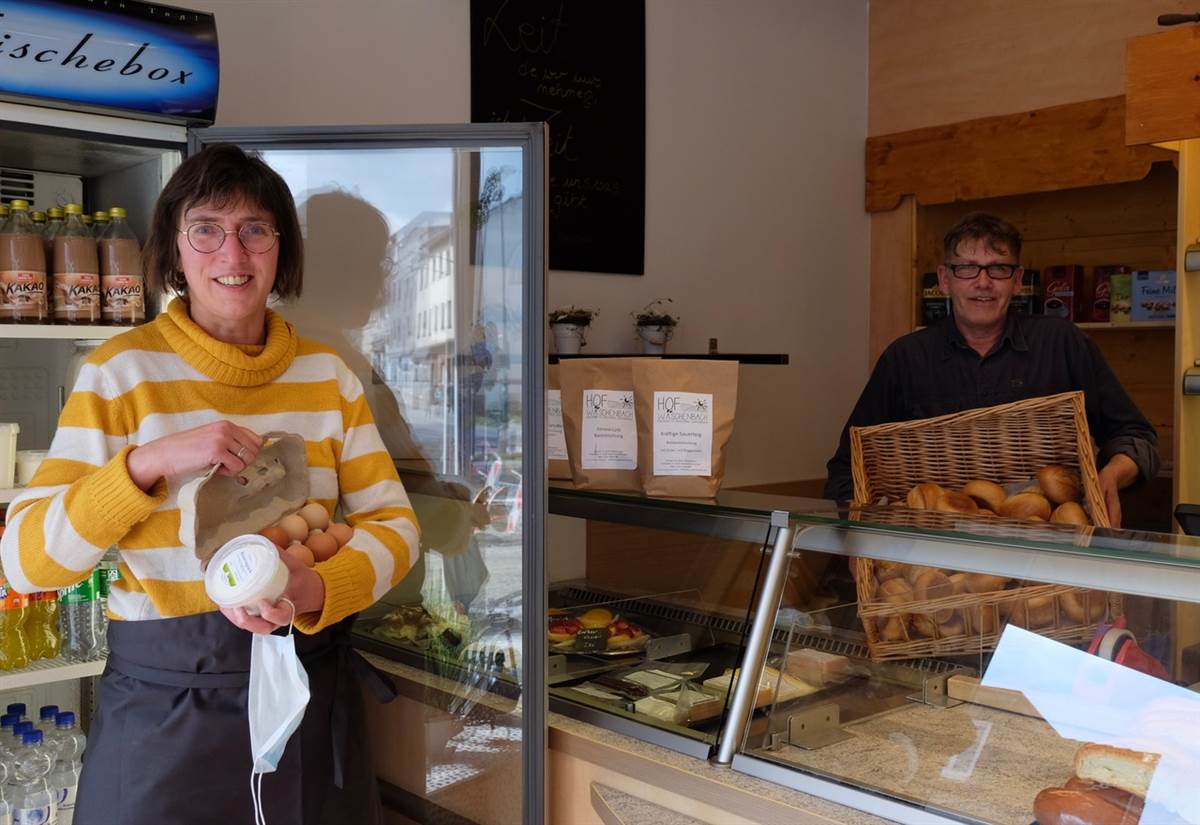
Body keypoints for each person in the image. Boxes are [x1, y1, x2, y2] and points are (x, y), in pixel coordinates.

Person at [0, 144, 420, 824]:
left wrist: (313, 589)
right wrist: (146, 463)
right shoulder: (118, 375)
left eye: (255, 229)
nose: (233, 254)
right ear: (173, 246)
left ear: (281, 248)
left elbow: (396, 527)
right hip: (163, 714)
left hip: (307, 692)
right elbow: (25, 562)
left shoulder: (329, 377)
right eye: (207, 229)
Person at [825, 212, 1158, 527]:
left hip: (1050, 555)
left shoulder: (1062, 343)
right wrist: (858, 532)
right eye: (967, 268)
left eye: (998, 268)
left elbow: (1136, 437)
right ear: (945, 280)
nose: (983, 282)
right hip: (936, 562)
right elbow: (848, 467)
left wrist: (1112, 474)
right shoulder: (906, 359)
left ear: (1016, 280)